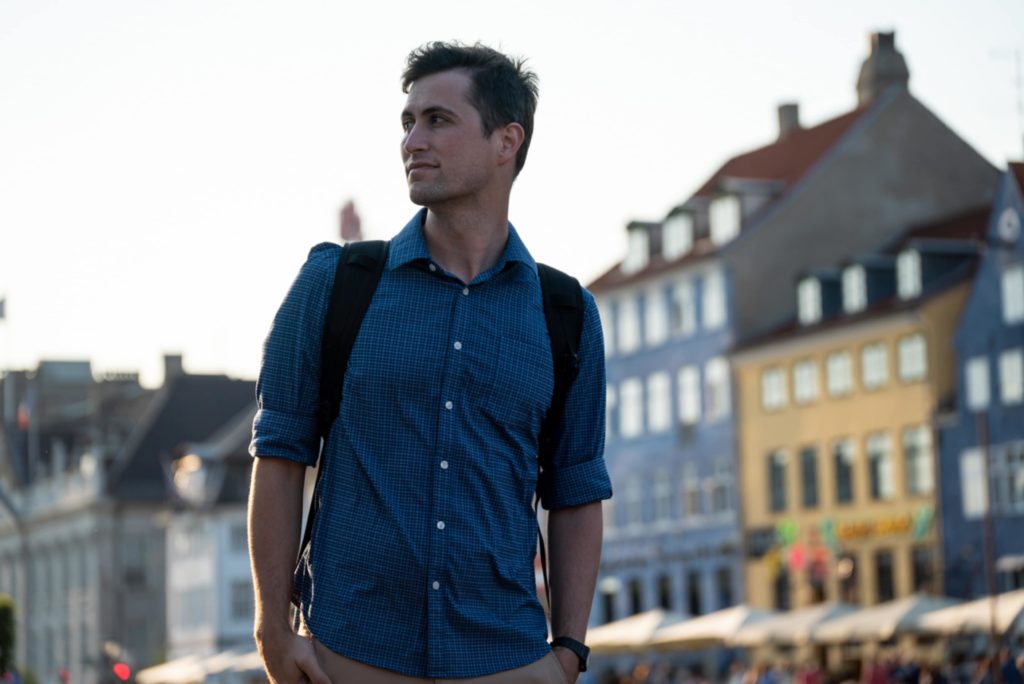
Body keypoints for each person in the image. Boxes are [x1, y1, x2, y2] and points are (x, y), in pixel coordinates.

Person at [248, 41, 612, 684]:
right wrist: (273, 631)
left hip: (507, 661)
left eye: (438, 120)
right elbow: (278, 456)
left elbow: (576, 490)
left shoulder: (566, 313)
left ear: (507, 141)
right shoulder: (336, 285)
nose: (413, 139)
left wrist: (569, 654)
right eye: (407, 122)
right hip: (350, 658)